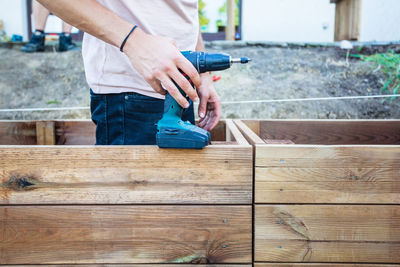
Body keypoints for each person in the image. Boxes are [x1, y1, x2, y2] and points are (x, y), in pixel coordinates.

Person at [37, 0, 221, 145]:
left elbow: (181, 8)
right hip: (130, 95)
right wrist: (133, 42)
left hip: (180, 90)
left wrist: (201, 71)